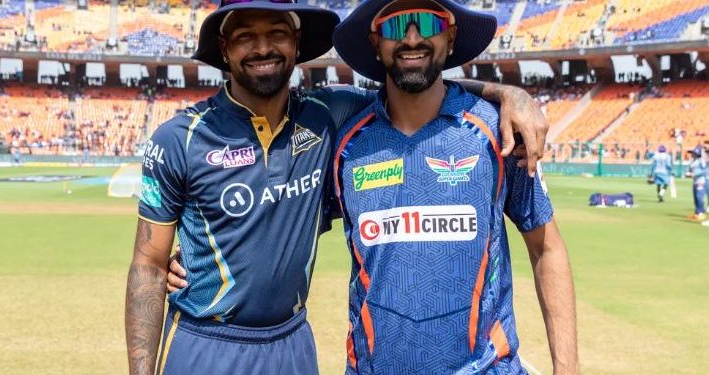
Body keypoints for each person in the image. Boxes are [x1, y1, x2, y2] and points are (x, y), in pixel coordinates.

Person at [134, 1, 550, 375]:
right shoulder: (179, 138)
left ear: (296, 44)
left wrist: (509, 94)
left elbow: (416, 82)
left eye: (277, 33)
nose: (262, 48)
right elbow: (148, 264)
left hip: (293, 343)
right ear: (224, 49)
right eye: (245, 36)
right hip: (204, 344)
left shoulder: (328, 114)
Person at [328, 0, 578, 372]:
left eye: (428, 23)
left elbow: (547, 249)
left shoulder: (499, 132)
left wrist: (568, 368)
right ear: (376, 42)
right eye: (396, 27)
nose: (412, 38)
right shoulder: (347, 144)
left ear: (451, 37)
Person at [686, 146, 706, 221]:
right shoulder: (692, 161)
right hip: (695, 181)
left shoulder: (701, 161)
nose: (691, 154)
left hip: (700, 181)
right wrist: (688, 173)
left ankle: (701, 213)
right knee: (695, 198)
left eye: (693, 153)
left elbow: (704, 171)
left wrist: (695, 174)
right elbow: (690, 169)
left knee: (699, 197)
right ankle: (697, 213)